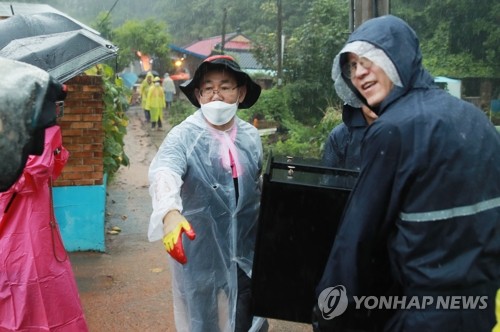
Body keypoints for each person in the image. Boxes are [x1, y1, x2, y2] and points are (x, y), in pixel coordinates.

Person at [314, 15, 500, 332]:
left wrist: (328, 316)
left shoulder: (392, 130)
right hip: (480, 311)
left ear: (399, 56)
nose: (359, 73)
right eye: (352, 65)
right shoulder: (476, 118)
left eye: (369, 58)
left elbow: (355, 242)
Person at [148, 55, 267, 332]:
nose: (217, 95)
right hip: (201, 247)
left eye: (225, 86)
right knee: (204, 317)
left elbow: (257, 187)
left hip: (246, 250)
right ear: (199, 94)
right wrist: (169, 212)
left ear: (241, 92)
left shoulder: (250, 137)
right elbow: (164, 170)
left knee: (249, 316)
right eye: (209, 87)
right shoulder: (184, 136)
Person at [0, 59, 88, 331]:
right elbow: (32, 173)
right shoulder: (30, 137)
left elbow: (44, 172)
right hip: (24, 235)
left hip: (33, 231)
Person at [323, 104, 377, 171]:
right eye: (368, 96)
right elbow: (329, 177)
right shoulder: (339, 135)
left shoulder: (392, 132)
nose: (374, 102)